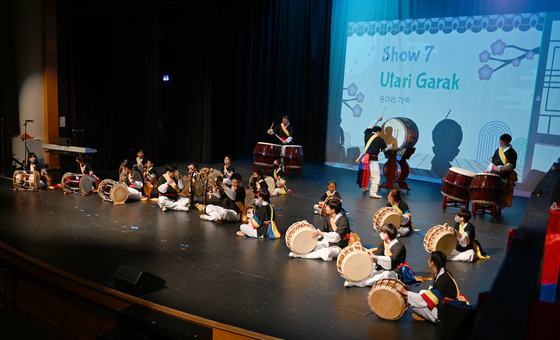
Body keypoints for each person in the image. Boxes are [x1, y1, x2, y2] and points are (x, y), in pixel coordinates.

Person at [396, 251, 460, 324]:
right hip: (444, 304)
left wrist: (405, 292)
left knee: (415, 305)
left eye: (429, 259)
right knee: (422, 292)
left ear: (432, 263)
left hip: (444, 313)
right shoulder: (442, 273)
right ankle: (427, 315)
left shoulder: (443, 281)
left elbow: (425, 301)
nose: (428, 260)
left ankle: (433, 318)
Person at [344, 223, 406, 287]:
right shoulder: (384, 243)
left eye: (382, 232)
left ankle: (358, 284)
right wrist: (371, 267)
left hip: (394, 272)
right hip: (383, 269)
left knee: (385, 274)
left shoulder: (399, 246)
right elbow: (378, 255)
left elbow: (392, 260)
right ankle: (355, 280)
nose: (380, 234)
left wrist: (375, 257)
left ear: (386, 234)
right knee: (371, 271)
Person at [357, 117, 396, 198]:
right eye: (380, 132)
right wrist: (392, 144)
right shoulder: (379, 139)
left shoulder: (367, 135)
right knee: (375, 176)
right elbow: (385, 149)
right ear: (378, 132)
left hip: (365, 159)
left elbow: (370, 126)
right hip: (373, 160)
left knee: (366, 173)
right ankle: (373, 193)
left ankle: (365, 187)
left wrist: (377, 120)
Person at [486, 133, 518, 209]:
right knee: (489, 189)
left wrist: (501, 168)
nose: (500, 143)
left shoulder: (512, 152)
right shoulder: (498, 150)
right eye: (500, 141)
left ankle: (497, 208)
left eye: (503, 141)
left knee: (500, 192)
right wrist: (488, 170)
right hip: (493, 173)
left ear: (508, 142)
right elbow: (492, 162)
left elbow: (511, 165)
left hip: (503, 175)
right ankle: (487, 205)